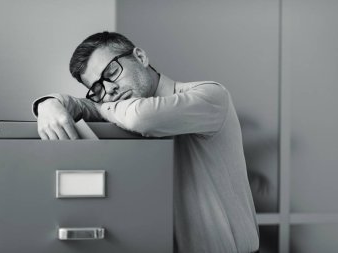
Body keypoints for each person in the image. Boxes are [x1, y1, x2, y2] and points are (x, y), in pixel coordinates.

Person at [33, 31, 259, 253]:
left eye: (112, 72)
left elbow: (142, 117)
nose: (109, 90)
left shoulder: (211, 95)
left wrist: (99, 106)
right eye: (97, 89)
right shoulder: (118, 110)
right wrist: (48, 104)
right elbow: (87, 106)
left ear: (140, 57)